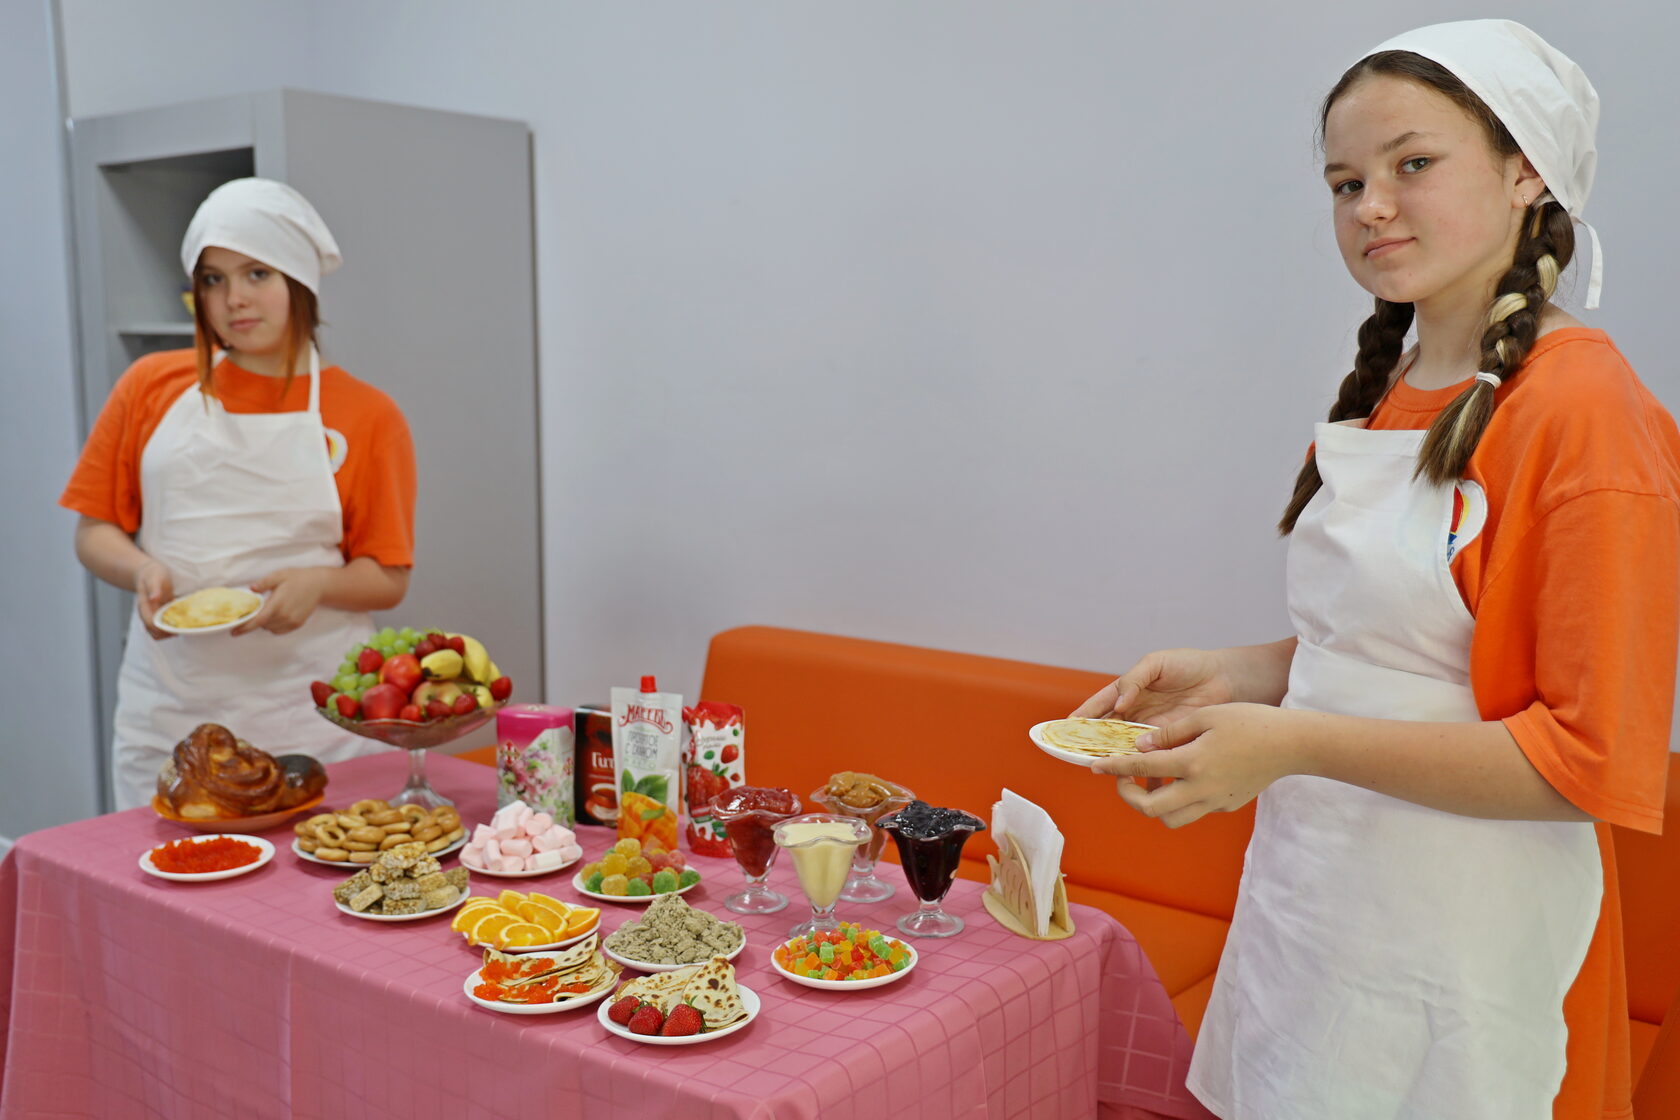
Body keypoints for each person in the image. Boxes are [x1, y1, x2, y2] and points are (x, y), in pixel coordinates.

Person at [1072, 21, 1678, 1119]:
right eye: (1347, 182)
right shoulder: (1399, 388)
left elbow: (1588, 763)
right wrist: (1244, 676)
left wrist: (1293, 742)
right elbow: (1407, 653)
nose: (1372, 207)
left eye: (1414, 164)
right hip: (1321, 910)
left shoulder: (1585, 413)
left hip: (1475, 949)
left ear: (1526, 170)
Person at [62, 178, 418, 811]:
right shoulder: (150, 385)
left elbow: (388, 575)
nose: (234, 300)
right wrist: (141, 570)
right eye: (213, 279)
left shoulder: (367, 414)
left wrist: (318, 585)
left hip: (312, 716)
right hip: (171, 711)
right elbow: (94, 531)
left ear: (299, 280)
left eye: (257, 273)